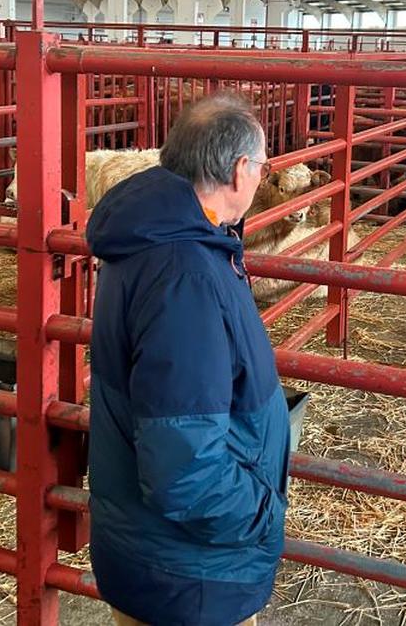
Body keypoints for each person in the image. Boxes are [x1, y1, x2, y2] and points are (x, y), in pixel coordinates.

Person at [86, 93, 290, 626]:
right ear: (241, 169)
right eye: (262, 165)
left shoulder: (162, 237)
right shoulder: (185, 275)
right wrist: (263, 514)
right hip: (189, 577)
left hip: (154, 559)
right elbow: (185, 468)